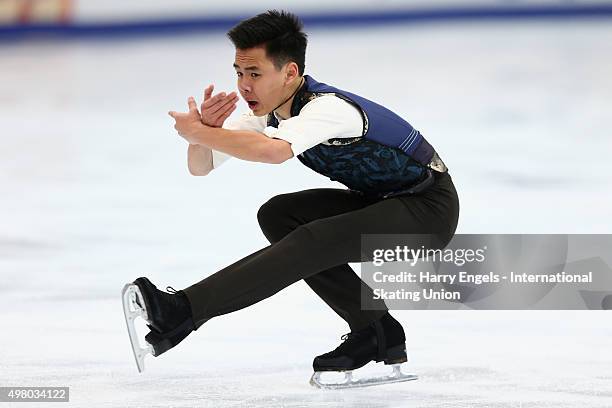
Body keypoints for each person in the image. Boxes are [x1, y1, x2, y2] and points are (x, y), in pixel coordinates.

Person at [124, 10, 459, 385]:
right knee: (281, 215)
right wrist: (204, 134)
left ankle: (183, 310)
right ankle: (376, 331)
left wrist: (203, 133)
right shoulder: (268, 113)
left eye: (255, 74)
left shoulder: (329, 108)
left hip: (428, 211)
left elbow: (274, 152)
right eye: (238, 72)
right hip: (383, 201)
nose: (243, 85)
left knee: (314, 239)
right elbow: (201, 166)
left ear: (289, 73)